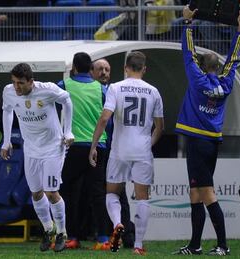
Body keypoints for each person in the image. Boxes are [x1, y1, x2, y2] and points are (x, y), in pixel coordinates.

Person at [173, 6, 240, 256]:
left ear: (202, 66)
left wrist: (187, 23)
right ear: (218, 67)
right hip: (211, 142)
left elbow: (187, 52)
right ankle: (195, 245)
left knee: (206, 193)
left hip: (198, 142)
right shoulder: (225, 83)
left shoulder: (197, 79)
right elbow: (233, 60)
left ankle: (223, 245)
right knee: (194, 192)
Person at [89, 51, 164, 255]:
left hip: (119, 149)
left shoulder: (115, 87)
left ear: (125, 68)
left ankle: (117, 223)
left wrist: (94, 146)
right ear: (144, 69)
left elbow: (104, 119)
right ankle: (138, 245)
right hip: (142, 150)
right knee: (142, 198)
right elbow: (160, 127)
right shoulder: (153, 92)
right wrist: (149, 144)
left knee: (112, 192)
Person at [0, 63, 74, 253]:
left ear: (31, 82)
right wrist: (6, 141)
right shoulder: (9, 92)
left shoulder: (47, 90)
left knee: (51, 192)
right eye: (14, 82)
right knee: (36, 192)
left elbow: (67, 100)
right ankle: (48, 229)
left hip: (53, 147)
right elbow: (7, 111)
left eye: (21, 83)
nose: (17, 87)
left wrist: (68, 131)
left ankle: (62, 233)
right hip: (31, 149)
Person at [58, 52, 111, 249]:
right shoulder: (102, 89)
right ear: (90, 69)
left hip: (74, 146)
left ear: (73, 68)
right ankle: (103, 238)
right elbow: (109, 119)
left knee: (68, 192)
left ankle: (72, 236)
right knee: (98, 193)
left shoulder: (64, 85)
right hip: (98, 146)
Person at [90, 58, 136, 249]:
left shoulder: (115, 91)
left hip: (112, 148)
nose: (104, 72)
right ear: (91, 71)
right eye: (100, 69)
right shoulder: (92, 91)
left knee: (117, 193)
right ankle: (102, 232)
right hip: (101, 147)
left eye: (107, 69)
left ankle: (125, 234)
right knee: (103, 193)